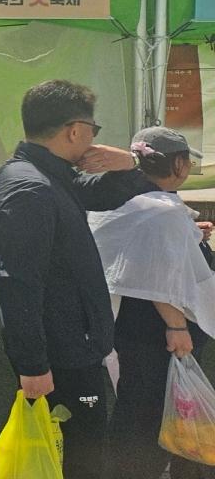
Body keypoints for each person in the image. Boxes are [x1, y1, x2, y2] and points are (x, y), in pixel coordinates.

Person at [0, 79, 145, 479]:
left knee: (75, 455)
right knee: (77, 459)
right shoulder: (31, 187)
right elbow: (18, 285)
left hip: (73, 346)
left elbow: (101, 194)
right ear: (75, 130)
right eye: (93, 130)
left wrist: (128, 162)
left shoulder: (46, 174)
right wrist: (33, 364)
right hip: (62, 353)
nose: (93, 138)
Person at [89, 127, 215, 479]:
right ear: (178, 164)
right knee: (159, 407)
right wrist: (176, 326)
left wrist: (190, 233)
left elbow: (141, 251)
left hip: (129, 322)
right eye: (186, 160)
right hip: (160, 330)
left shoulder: (125, 199)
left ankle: (132, 466)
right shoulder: (163, 212)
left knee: (136, 401)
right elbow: (159, 273)